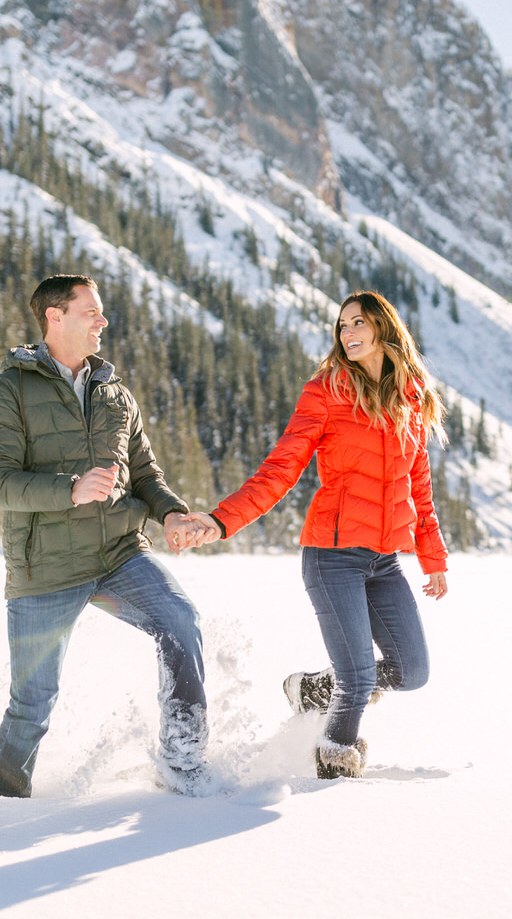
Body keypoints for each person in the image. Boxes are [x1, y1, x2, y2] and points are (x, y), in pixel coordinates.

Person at [185, 290, 450, 780]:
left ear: (383, 328)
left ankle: (310, 690)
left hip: (384, 560)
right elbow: (281, 467)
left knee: (413, 672)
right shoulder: (326, 391)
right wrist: (223, 520)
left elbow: (420, 487)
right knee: (356, 678)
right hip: (332, 556)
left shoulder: (409, 397)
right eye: (342, 325)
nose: (348, 333)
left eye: (358, 323)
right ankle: (334, 771)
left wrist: (433, 558)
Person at [0, 274, 215, 797]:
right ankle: (3, 802)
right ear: (54, 317)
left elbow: (145, 474)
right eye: (91, 312)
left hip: (120, 555)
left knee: (181, 624)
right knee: (33, 703)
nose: (103, 321)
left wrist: (170, 514)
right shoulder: (8, 390)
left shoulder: (115, 393)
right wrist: (71, 489)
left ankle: (185, 766)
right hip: (47, 568)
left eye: (101, 312)